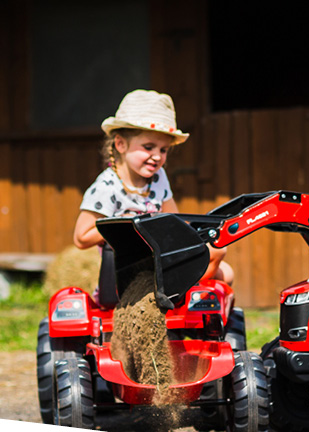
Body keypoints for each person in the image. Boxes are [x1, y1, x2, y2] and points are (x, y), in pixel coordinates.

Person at [73, 89, 234, 285]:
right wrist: (123, 225)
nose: (157, 156)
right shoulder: (107, 188)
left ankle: (189, 288)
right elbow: (81, 238)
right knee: (214, 259)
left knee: (225, 270)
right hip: (129, 269)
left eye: (163, 150)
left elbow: (175, 221)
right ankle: (184, 288)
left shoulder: (158, 178)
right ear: (121, 144)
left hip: (160, 256)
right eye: (148, 147)